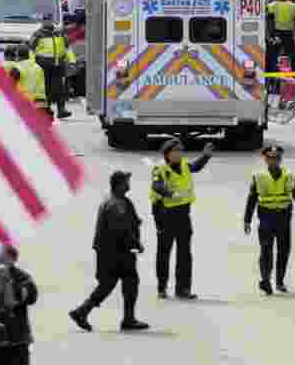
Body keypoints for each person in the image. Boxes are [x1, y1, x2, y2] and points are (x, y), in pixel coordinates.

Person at [68, 170, 150, 333]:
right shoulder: (116, 204)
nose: (129, 184)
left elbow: (128, 222)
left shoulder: (116, 200)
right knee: (130, 282)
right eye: (127, 181)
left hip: (110, 251)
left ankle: (82, 312)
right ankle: (128, 319)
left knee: (108, 284)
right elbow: (121, 230)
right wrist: (136, 243)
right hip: (117, 252)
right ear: (120, 185)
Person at [150, 138, 213, 299]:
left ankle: (183, 289)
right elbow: (157, 186)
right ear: (167, 154)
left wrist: (205, 156)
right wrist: (170, 193)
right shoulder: (160, 169)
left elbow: (195, 167)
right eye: (174, 152)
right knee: (164, 253)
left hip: (184, 215)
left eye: (180, 151)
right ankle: (162, 287)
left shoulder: (184, 165)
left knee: (185, 254)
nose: (178, 154)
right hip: (165, 215)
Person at [243, 146, 295, 295]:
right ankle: (265, 280)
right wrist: (247, 220)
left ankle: (280, 281)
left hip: (284, 218)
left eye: (277, 158)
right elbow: (252, 198)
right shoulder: (259, 176)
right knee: (266, 250)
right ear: (265, 159)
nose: (274, 160)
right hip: (266, 218)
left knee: (283, 251)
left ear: (280, 159)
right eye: (270, 157)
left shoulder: (289, 176)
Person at [30, 22, 71, 119]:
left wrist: (70, 61)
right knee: (46, 88)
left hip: (58, 65)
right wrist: (33, 64)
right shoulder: (38, 34)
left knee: (60, 88)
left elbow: (66, 47)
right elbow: (31, 49)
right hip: (44, 66)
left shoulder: (60, 34)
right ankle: (47, 110)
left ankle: (61, 110)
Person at [266, 0, 295, 66]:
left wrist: (271, 35)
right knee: (290, 57)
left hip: (276, 35)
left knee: (273, 57)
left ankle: (274, 75)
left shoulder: (271, 5)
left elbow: (269, 22)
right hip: (289, 36)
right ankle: (290, 75)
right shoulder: (294, 6)